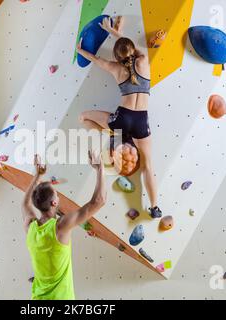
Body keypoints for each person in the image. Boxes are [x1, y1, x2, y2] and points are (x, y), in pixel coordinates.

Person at [77, 16, 162, 219]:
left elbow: (97, 60)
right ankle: (155, 207)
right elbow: (133, 48)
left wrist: (80, 50)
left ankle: (114, 134)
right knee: (148, 166)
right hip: (141, 121)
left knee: (83, 117)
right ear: (133, 51)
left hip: (121, 119)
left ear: (116, 57)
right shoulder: (143, 62)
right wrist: (116, 32)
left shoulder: (116, 68)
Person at [22, 152, 106, 300]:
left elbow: (25, 203)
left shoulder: (30, 227)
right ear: (54, 203)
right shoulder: (59, 227)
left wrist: (37, 176)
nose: (58, 196)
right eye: (57, 194)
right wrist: (100, 168)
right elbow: (99, 201)